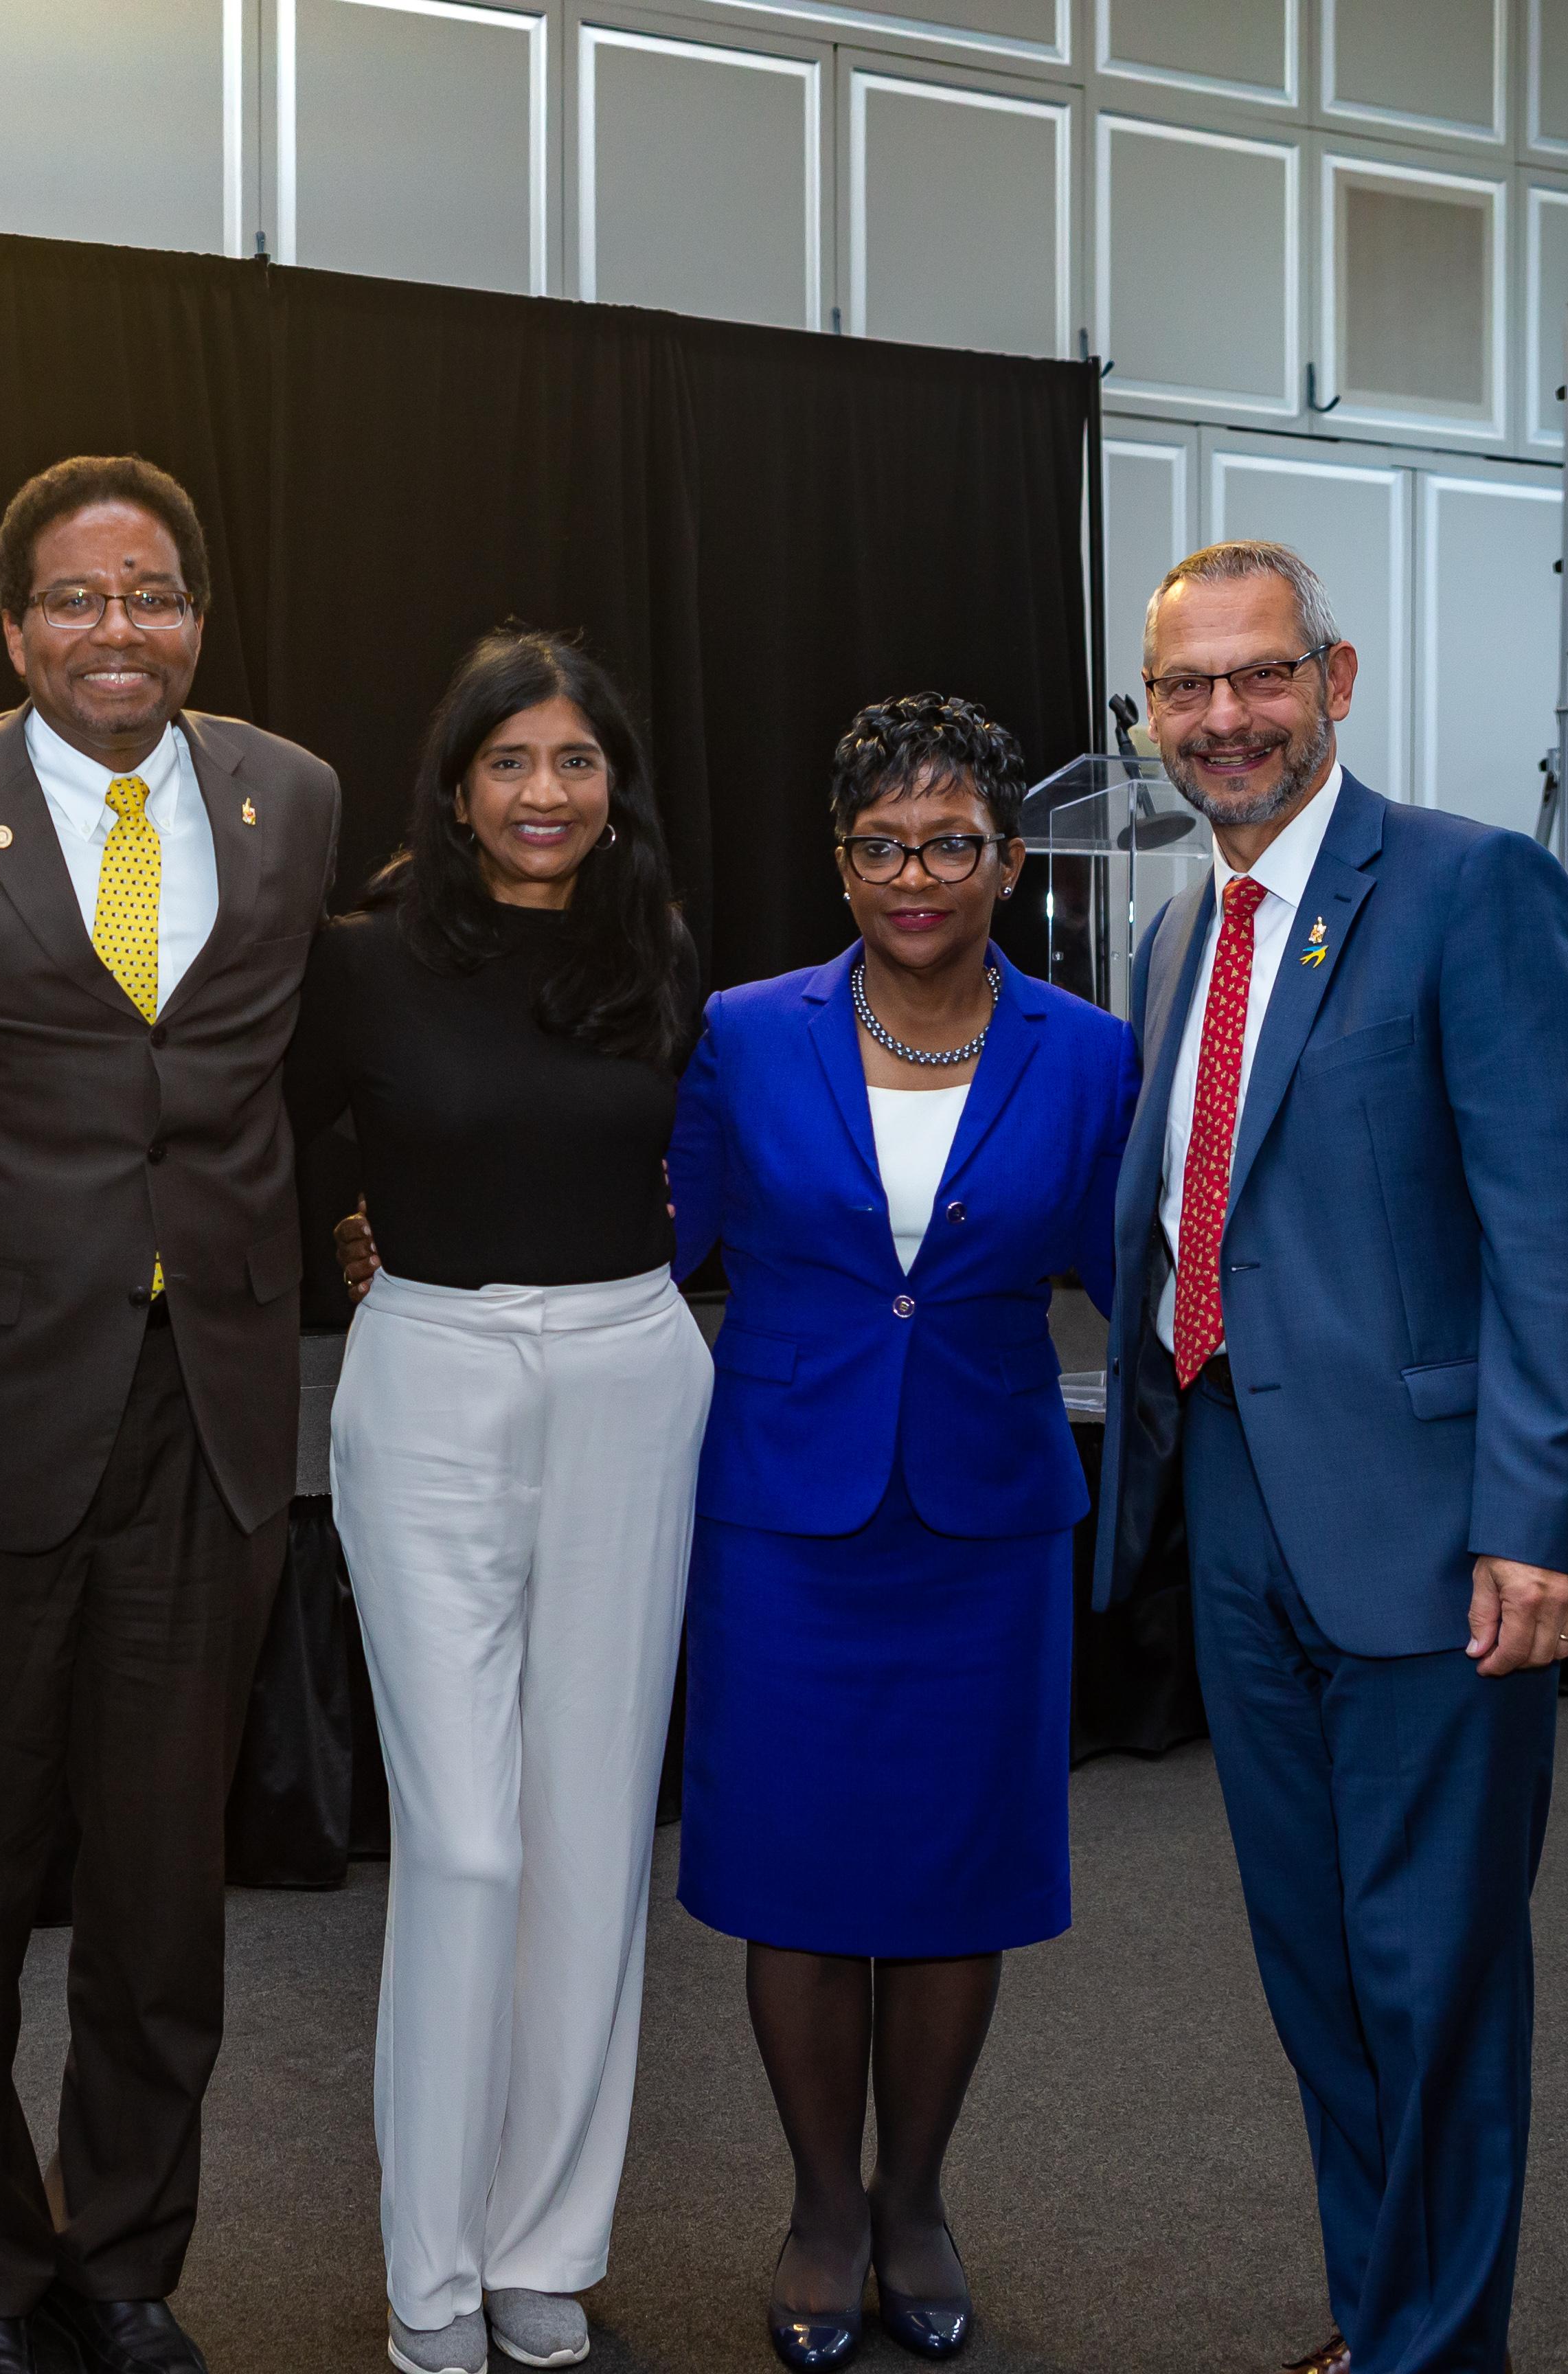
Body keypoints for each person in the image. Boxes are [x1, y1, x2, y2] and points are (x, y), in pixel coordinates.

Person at [0, 453, 341, 2374]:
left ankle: (122, 2258)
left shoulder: (292, 796)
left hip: (210, 1428)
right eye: (81, 600)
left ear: (201, 612)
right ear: (15, 626)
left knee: (162, 1903)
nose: (124, 631)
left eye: (158, 594)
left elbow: (286, 1080)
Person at [1092, 543, 1568, 2374]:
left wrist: (1543, 1519)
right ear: (1152, 713)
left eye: (1260, 678)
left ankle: (1435, 2351)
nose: (1225, 717)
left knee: (1438, 1978)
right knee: (1322, 1973)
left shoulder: (1476, 891)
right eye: (1189, 689)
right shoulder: (1184, 935)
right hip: (1238, 1501)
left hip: (1432, 1526)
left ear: (1335, 678)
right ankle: (1379, 2318)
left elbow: (1567, 1230)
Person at [668, 695, 1137, 2371]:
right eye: (879, 846)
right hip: (786, 1517)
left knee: (956, 1878)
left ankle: (918, 2195)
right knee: (796, 1877)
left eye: (950, 844)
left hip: (987, 1522)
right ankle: (820, 2206)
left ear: (1009, 861)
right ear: (840, 862)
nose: (913, 876)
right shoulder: (744, 1028)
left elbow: (1137, 1272)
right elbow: (656, 1246)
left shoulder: (1089, 1051)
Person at [286, 631, 710, 2374]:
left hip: (634, 1371)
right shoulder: (361, 964)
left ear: (616, 793)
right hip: (438, 1381)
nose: (546, 794)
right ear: (456, 790)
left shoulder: (658, 955)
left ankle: (546, 2247)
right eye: (511, 762)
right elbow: (260, 1158)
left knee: (596, 1847)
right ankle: (426, 2278)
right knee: (465, 1844)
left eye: (577, 762)